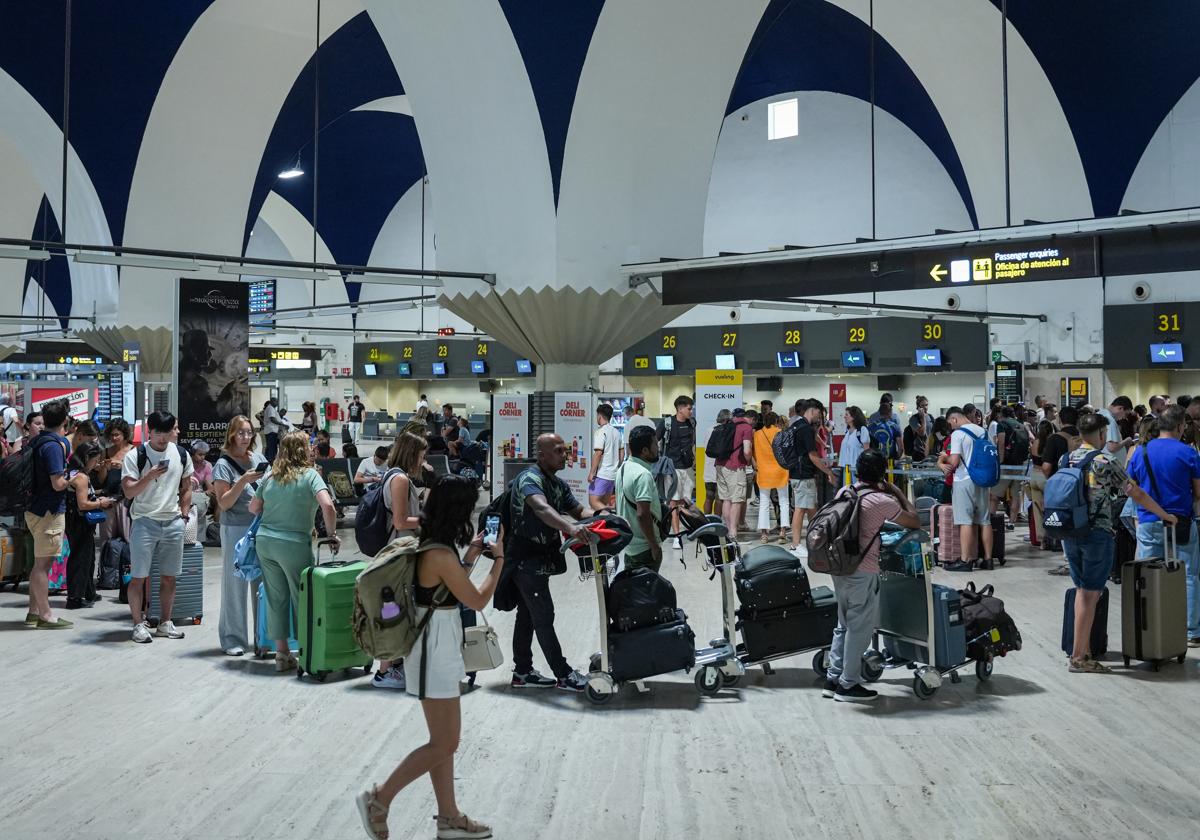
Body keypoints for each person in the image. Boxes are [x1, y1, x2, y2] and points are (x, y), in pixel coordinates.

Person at [356, 476, 502, 840]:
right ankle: (380, 799)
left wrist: (469, 556)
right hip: (434, 647)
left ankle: (449, 817)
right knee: (445, 742)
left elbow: (446, 589)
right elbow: (478, 600)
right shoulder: (438, 552)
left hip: (438, 641)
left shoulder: (435, 547)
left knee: (442, 741)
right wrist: (499, 560)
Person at [1062, 412, 1175, 672]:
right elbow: (1134, 492)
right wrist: (1164, 515)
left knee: (1082, 590)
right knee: (1091, 593)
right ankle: (1079, 657)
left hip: (1070, 532)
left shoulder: (1067, 458)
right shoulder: (1105, 460)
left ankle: (1084, 649)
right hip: (1096, 534)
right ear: (1102, 433)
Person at [825, 449, 919, 702]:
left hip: (839, 567)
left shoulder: (845, 492)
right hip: (863, 571)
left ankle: (833, 678)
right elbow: (914, 520)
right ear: (881, 473)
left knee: (843, 624)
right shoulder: (881, 501)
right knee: (859, 629)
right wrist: (897, 491)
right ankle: (848, 684)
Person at [248, 431, 338, 672]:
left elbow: (253, 507)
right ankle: (308, 652)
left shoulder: (270, 476)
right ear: (302, 449)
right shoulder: (310, 475)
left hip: (265, 542)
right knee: (303, 598)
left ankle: (282, 654)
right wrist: (331, 534)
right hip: (294, 543)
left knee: (276, 599)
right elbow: (328, 506)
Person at [506, 433, 589, 692]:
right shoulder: (529, 479)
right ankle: (563, 674)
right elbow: (541, 509)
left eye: (565, 450)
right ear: (541, 455)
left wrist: (604, 516)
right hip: (524, 560)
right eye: (558, 451)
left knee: (528, 615)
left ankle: (522, 671)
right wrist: (572, 529)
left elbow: (578, 510)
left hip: (539, 560)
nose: (565, 455)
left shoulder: (557, 483)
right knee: (543, 614)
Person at [1125, 405, 1200, 645]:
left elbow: (1130, 487)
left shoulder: (1141, 452)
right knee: (1188, 576)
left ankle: (1151, 625)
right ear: (1180, 426)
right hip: (1182, 522)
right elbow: (1198, 492)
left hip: (1148, 521)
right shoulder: (1189, 453)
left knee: (1147, 575)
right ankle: (1191, 631)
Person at [122, 410, 194, 644]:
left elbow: (187, 487)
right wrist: (149, 476)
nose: (162, 438)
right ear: (148, 432)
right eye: (157, 433)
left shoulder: (181, 454)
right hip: (144, 521)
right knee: (138, 577)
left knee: (170, 577)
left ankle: (165, 622)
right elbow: (129, 491)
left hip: (173, 522)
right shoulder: (136, 455)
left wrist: (183, 516)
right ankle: (137, 624)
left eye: (167, 431)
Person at [373, 431, 430, 690]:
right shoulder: (400, 479)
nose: (423, 460)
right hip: (398, 550)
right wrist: (429, 521)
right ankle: (384, 671)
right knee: (394, 610)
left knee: (396, 608)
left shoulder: (395, 476)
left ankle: (392, 666)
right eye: (421, 455)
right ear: (412, 454)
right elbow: (400, 520)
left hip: (399, 550)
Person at [212, 416, 269, 656]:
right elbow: (224, 503)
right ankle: (233, 638)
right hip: (235, 527)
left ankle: (262, 638)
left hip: (260, 526)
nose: (246, 438)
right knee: (235, 584)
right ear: (232, 435)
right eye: (241, 433)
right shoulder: (223, 465)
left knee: (261, 583)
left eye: (249, 433)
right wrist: (243, 480)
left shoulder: (258, 458)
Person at [22, 399, 73, 629]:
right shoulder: (54, 446)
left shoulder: (37, 441)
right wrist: (75, 478)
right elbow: (57, 483)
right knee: (43, 566)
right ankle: (46, 615)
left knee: (38, 564)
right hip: (49, 511)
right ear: (65, 421)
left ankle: (34, 612)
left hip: (34, 509)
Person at [938, 406, 994, 571]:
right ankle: (988, 560)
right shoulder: (983, 431)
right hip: (982, 480)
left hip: (964, 480)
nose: (951, 427)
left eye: (950, 423)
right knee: (984, 520)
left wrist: (943, 459)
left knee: (965, 521)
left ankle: (965, 560)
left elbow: (954, 462)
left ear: (954, 419)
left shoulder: (958, 434)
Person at [63, 440, 112, 609]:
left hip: (72, 521)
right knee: (81, 559)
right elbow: (83, 504)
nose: (96, 464)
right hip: (80, 523)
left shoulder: (71, 473)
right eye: (95, 460)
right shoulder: (82, 477)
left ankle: (88, 592)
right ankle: (75, 598)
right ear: (86, 458)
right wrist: (101, 503)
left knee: (87, 557)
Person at [615, 426, 665, 571]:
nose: (658, 447)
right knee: (647, 592)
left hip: (630, 546)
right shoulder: (643, 475)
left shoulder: (623, 468)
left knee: (636, 590)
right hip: (644, 549)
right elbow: (643, 514)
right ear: (644, 451)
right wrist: (654, 545)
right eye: (655, 444)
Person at [788, 399, 836, 550]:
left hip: (796, 472)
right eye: (819, 414)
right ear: (813, 410)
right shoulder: (805, 429)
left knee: (810, 508)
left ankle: (815, 540)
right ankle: (796, 545)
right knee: (801, 509)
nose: (819, 418)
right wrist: (829, 472)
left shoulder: (796, 425)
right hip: (804, 474)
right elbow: (813, 456)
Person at [659, 395, 697, 547]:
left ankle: (689, 529)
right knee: (673, 502)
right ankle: (676, 536)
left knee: (686, 501)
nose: (691, 411)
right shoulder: (667, 424)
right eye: (689, 408)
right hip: (672, 469)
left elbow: (692, 442)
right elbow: (655, 441)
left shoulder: (692, 423)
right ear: (680, 408)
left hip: (688, 468)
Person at [715, 407, 754, 537]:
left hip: (720, 465)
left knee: (726, 499)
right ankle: (733, 532)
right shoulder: (746, 428)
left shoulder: (727, 425)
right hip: (735, 467)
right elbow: (747, 451)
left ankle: (727, 530)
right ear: (747, 417)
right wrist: (748, 461)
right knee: (737, 500)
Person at [752, 412, 789, 544]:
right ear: (776, 421)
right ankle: (783, 532)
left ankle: (764, 535)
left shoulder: (757, 434)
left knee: (764, 503)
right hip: (780, 470)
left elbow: (753, 454)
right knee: (784, 502)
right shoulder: (781, 433)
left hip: (764, 472)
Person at [587, 402, 623, 510]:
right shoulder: (616, 432)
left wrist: (591, 473)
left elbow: (598, 453)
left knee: (593, 502)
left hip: (602, 474)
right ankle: (606, 524)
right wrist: (617, 466)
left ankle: (612, 518)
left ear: (600, 416)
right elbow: (622, 452)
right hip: (613, 475)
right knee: (604, 503)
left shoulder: (600, 432)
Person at [1026, 420, 1055, 549]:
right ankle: (1053, 538)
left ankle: (1042, 541)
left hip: (1034, 477)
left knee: (1037, 511)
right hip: (1045, 478)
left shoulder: (1035, 443)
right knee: (1050, 509)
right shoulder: (1050, 443)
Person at [701, 411, 728, 517]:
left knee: (708, 496)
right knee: (719, 498)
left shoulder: (709, 430)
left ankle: (706, 520)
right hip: (720, 467)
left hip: (708, 468)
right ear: (726, 420)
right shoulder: (724, 431)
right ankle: (717, 522)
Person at [1098, 396, 1135, 466]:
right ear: (1120, 408)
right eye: (1126, 414)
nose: (1124, 417)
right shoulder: (1109, 420)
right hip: (1110, 464)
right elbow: (1112, 447)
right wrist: (1126, 441)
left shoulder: (1101, 414)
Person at [839, 406, 871, 484]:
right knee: (847, 492)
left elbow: (867, 451)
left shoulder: (862, 430)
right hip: (846, 468)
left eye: (847, 415)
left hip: (857, 469)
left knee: (857, 491)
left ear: (853, 417)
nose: (844, 416)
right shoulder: (847, 430)